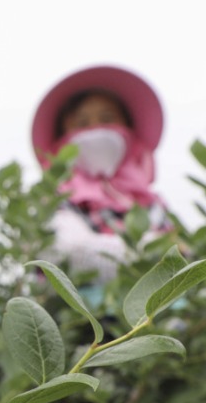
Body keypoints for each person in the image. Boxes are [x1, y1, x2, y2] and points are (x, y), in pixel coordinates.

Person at [31, 65, 172, 283]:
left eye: (107, 119)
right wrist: (155, 252)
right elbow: (69, 253)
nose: (95, 130)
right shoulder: (55, 203)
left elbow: (186, 255)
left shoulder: (152, 205)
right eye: (82, 124)